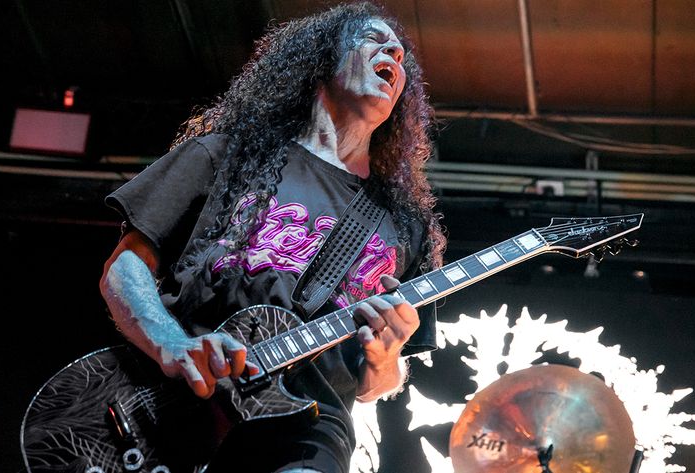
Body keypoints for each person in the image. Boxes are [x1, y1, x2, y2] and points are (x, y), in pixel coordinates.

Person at [98, 2, 446, 472]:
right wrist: (172, 347)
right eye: (373, 40)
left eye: (401, 55)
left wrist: (385, 358)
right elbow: (125, 268)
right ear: (322, 59)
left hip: (309, 428)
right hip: (173, 405)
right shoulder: (225, 157)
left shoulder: (404, 223)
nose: (394, 54)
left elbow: (376, 385)